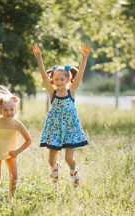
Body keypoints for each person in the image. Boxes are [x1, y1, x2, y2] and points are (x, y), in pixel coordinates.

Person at [33, 43, 92, 187]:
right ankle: (54, 169)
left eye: (62, 79)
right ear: (52, 79)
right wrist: (39, 58)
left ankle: (73, 172)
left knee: (69, 158)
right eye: (56, 79)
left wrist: (84, 59)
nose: (59, 82)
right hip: (55, 128)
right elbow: (42, 74)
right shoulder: (52, 92)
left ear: (68, 80)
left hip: (70, 128)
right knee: (51, 160)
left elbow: (80, 75)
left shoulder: (71, 91)